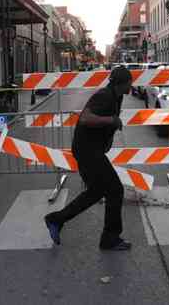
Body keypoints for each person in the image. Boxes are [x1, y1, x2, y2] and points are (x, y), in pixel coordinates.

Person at [44, 66, 133, 251]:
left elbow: (107, 120)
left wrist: (107, 137)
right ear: (120, 83)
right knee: (115, 190)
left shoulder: (117, 96)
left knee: (96, 192)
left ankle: (56, 219)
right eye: (128, 82)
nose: (131, 85)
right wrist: (111, 122)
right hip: (87, 151)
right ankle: (110, 238)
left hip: (92, 150)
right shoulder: (105, 95)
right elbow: (85, 118)